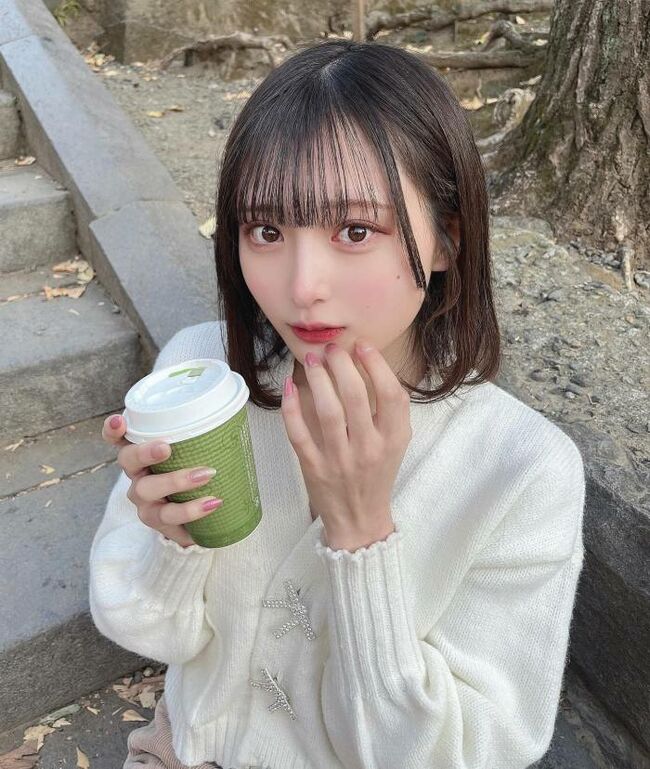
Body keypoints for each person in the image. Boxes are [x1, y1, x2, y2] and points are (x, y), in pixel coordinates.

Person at [90, 39, 586, 769]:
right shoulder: (203, 375)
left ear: (447, 240)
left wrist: (362, 534)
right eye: (266, 231)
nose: (301, 287)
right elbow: (149, 633)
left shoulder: (522, 470)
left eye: (356, 231)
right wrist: (174, 545)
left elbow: (467, 751)